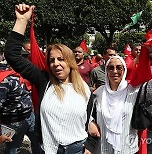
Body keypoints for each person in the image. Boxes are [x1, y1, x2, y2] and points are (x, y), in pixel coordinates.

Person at [4, 4, 96, 154]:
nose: (56, 64)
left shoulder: (85, 89)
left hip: (77, 150)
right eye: (52, 60)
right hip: (47, 149)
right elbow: (12, 55)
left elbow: (93, 121)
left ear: (70, 62)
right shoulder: (44, 81)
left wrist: (90, 147)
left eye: (61, 59)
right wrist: (22, 21)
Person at [86, 39, 152, 153]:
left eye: (119, 67)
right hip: (102, 150)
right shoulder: (98, 93)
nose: (115, 71)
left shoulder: (134, 91)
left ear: (124, 70)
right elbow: (87, 113)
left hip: (127, 150)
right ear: (106, 71)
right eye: (111, 68)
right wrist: (91, 123)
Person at [0, 50, 40, 154]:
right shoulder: (5, 80)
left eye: (26, 57)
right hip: (12, 123)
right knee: (12, 150)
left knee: (38, 144)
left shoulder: (25, 75)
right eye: (21, 57)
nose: (26, 60)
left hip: (30, 117)